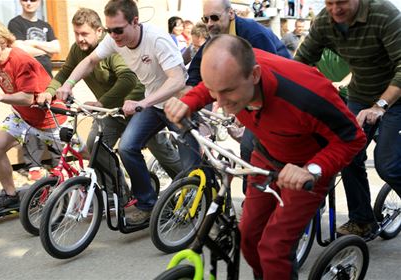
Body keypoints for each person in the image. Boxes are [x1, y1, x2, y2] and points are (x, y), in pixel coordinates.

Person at [164, 34, 366, 280]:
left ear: (255, 75)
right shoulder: (230, 74)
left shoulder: (307, 93)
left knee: (274, 248)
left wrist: (313, 169)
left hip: (305, 170)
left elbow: (353, 138)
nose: (219, 103)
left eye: (227, 92)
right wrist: (188, 101)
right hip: (266, 155)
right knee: (248, 236)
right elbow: (212, 87)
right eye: (214, 91)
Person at [54, 0, 200, 225]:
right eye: (110, 30)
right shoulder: (116, 41)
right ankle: (147, 204)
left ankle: (200, 203)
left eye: (118, 30)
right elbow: (91, 61)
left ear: (135, 22)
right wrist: (68, 83)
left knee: (190, 162)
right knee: (127, 148)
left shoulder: (157, 40)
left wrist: (142, 102)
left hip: (178, 104)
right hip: (152, 105)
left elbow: (178, 80)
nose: (113, 35)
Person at [295, 0, 401, 237]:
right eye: (329, 2)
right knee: (347, 154)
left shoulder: (384, 14)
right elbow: (301, 61)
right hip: (361, 94)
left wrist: (381, 105)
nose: (335, 9)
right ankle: (363, 220)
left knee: (388, 165)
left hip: (396, 98)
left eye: (341, 2)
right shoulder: (325, 20)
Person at [37, 8, 182, 180]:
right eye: (76, 33)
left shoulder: (113, 47)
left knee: (161, 150)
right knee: (96, 146)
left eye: (84, 33)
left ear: (99, 31)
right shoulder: (77, 50)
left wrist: (101, 102)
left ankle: (187, 186)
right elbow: (65, 72)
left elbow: (128, 79)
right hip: (110, 111)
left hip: (136, 105)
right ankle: (117, 192)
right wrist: (50, 91)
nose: (79, 39)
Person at [187, 0, 291, 194]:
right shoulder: (216, 37)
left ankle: (263, 196)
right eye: (206, 19)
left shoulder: (253, 34)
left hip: (279, 93)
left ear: (231, 14)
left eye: (215, 17)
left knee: (251, 146)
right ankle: (252, 198)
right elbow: (195, 69)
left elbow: (268, 75)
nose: (209, 23)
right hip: (251, 96)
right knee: (250, 150)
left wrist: (245, 109)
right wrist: (186, 94)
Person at [0, 19, 67, 211]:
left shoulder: (21, 60)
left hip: (50, 119)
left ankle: (112, 186)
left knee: (86, 153)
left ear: (3, 42)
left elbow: (28, 98)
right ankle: (11, 195)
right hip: (22, 117)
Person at [8, 0, 61, 181]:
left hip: (47, 80)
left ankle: (58, 163)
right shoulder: (15, 24)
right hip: (27, 79)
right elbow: (18, 49)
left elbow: (57, 48)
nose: (29, 3)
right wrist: (44, 47)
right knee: (30, 120)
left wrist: (31, 43)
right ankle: (33, 165)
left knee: (52, 119)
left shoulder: (46, 25)